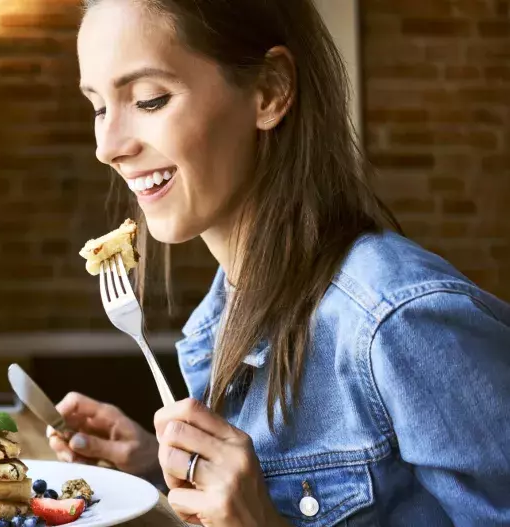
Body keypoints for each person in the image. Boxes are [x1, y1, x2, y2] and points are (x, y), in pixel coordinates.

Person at [48, 0, 510, 525]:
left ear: (269, 91)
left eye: (150, 100)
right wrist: (158, 470)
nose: (107, 147)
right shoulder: (223, 314)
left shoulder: (399, 322)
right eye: (99, 107)